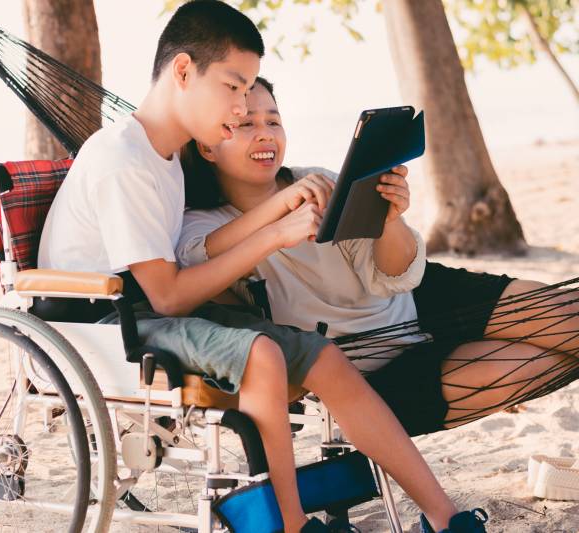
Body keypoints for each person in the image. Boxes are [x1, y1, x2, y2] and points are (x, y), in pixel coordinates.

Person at [40, 2, 487, 531]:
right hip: (103, 322)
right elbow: (167, 297)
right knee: (264, 355)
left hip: (151, 310)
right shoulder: (125, 160)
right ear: (183, 71)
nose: (240, 106)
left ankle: (442, 515)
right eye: (233, 87)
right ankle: (289, 523)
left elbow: (187, 267)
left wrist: (280, 211)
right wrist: (276, 234)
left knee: (322, 357)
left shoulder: (164, 154)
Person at [177, 75, 579, 449]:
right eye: (246, 124)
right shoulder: (204, 224)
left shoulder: (318, 180)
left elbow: (391, 276)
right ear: (208, 144)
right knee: (544, 366)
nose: (265, 132)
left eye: (274, 121)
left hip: (421, 294)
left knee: (569, 317)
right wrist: (279, 209)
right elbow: (199, 259)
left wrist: (390, 220)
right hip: (368, 369)